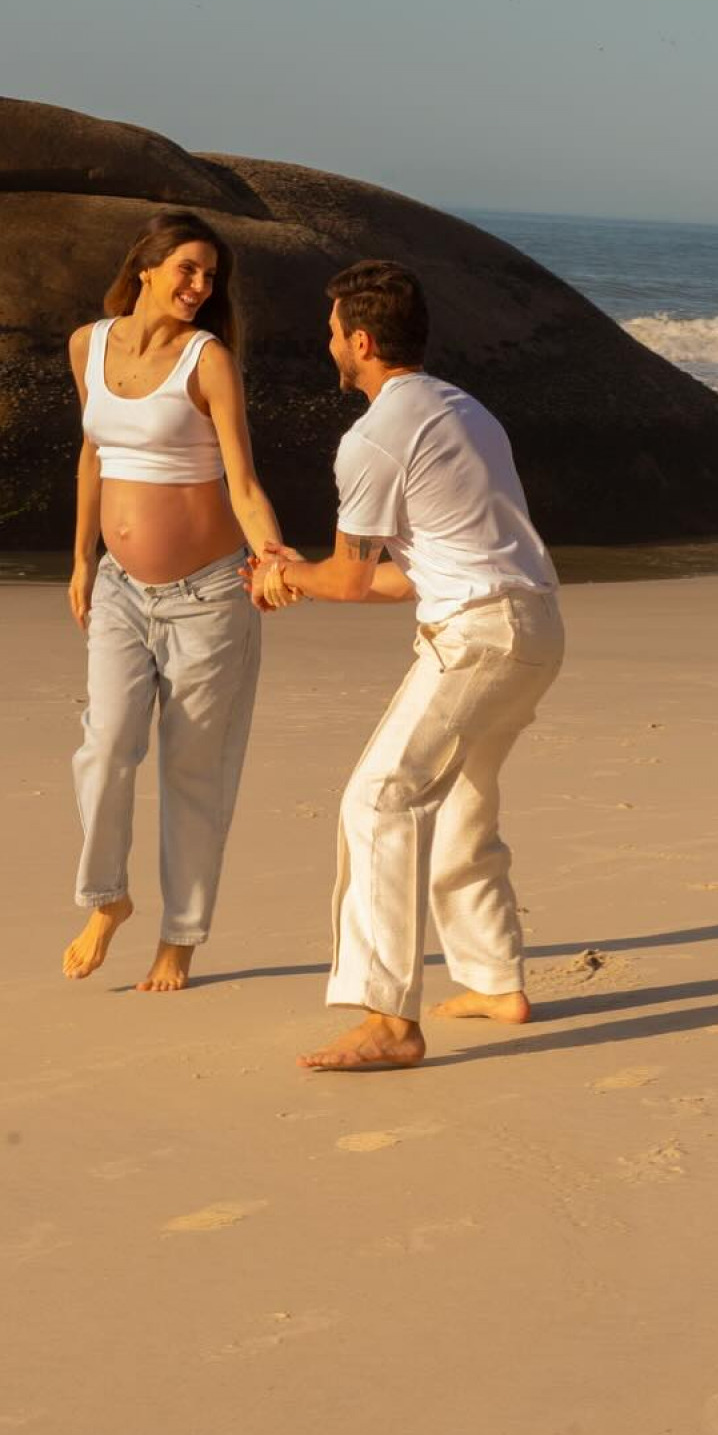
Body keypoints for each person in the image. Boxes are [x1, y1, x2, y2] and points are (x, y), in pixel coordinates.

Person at [250, 260, 563, 1070]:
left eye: (331, 334)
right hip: (530, 627)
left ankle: (390, 1021)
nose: (328, 346)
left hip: (479, 636)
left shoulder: (376, 437)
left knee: (380, 798)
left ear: (359, 340)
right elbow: (415, 572)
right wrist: (302, 577)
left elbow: (351, 578)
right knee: (460, 801)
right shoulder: (467, 410)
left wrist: (288, 577)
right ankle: (495, 981)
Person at [62, 210, 288, 994]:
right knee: (104, 749)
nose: (200, 287)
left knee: (194, 773)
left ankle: (180, 938)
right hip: (122, 592)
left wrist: (272, 557)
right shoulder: (88, 345)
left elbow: (244, 483)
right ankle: (108, 898)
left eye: (210, 277)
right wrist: (83, 559)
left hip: (208, 597)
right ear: (148, 266)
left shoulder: (209, 360)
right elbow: (93, 454)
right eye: (188, 269)